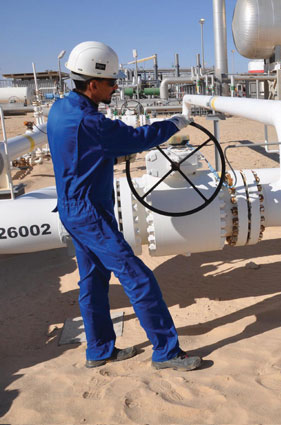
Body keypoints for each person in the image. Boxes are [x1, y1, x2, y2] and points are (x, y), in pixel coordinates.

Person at [47, 41, 202, 370]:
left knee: (92, 282)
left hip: (74, 209)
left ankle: (99, 350)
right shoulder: (91, 123)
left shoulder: (60, 109)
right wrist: (175, 123)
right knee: (138, 277)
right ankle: (166, 352)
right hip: (90, 213)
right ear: (92, 84)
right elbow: (136, 139)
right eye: (111, 82)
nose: (115, 88)